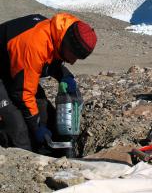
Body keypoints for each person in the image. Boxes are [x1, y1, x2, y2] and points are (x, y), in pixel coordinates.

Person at [0, 12, 97, 151]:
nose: (73, 62)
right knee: (18, 129)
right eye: (74, 56)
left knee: (47, 115)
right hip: (7, 74)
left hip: (15, 71)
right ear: (67, 45)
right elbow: (22, 94)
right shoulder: (33, 45)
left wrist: (65, 75)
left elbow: (50, 61)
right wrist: (37, 127)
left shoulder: (56, 35)